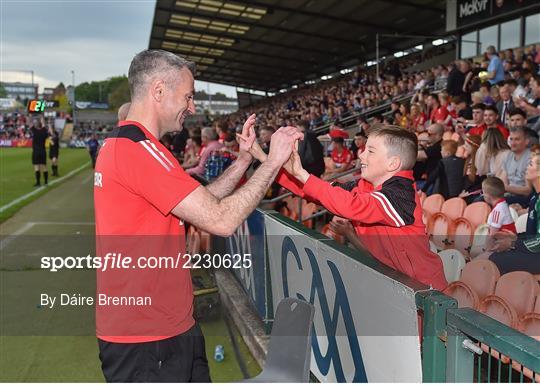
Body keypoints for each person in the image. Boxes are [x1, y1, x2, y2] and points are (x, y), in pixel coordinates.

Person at [94, 49, 301, 382]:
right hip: (149, 339)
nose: (191, 107)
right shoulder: (138, 151)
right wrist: (273, 162)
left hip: (169, 329)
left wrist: (244, 161)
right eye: (188, 96)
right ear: (158, 91)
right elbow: (220, 219)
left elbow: (201, 201)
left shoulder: (134, 145)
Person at [243, 125, 448, 290]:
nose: (361, 155)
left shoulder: (402, 194)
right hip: (398, 285)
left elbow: (352, 206)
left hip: (426, 292)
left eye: (371, 150)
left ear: (393, 163)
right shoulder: (365, 187)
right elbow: (317, 192)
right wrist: (266, 159)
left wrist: (302, 174)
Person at [486, 148, 539, 274]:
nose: (527, 166)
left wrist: (514, 243)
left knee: (495, 259)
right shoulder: (535, 197)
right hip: (534, 250)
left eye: (531, 164)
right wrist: (516, 237)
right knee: (496, 253)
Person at [501, 126, 532, 207]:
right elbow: (504, 182)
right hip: (509, 195)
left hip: (525, 198)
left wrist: (504, 188)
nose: (513, 143)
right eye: (511, 139)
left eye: (517, 139)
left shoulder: (531, 158)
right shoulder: (508, 156)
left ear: (526, 141)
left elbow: (528, 190)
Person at [30, 121, 49, 186]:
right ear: (42, 126)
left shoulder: (34, 131)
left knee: (36, 167)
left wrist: (29, 116)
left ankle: (38, 182)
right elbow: (44, 125)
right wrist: (41, 115)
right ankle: (46, 182)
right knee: (44, 166)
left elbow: (30, 123)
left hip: (36, 151)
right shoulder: (44, 131)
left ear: (36, 125)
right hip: (43, 151)